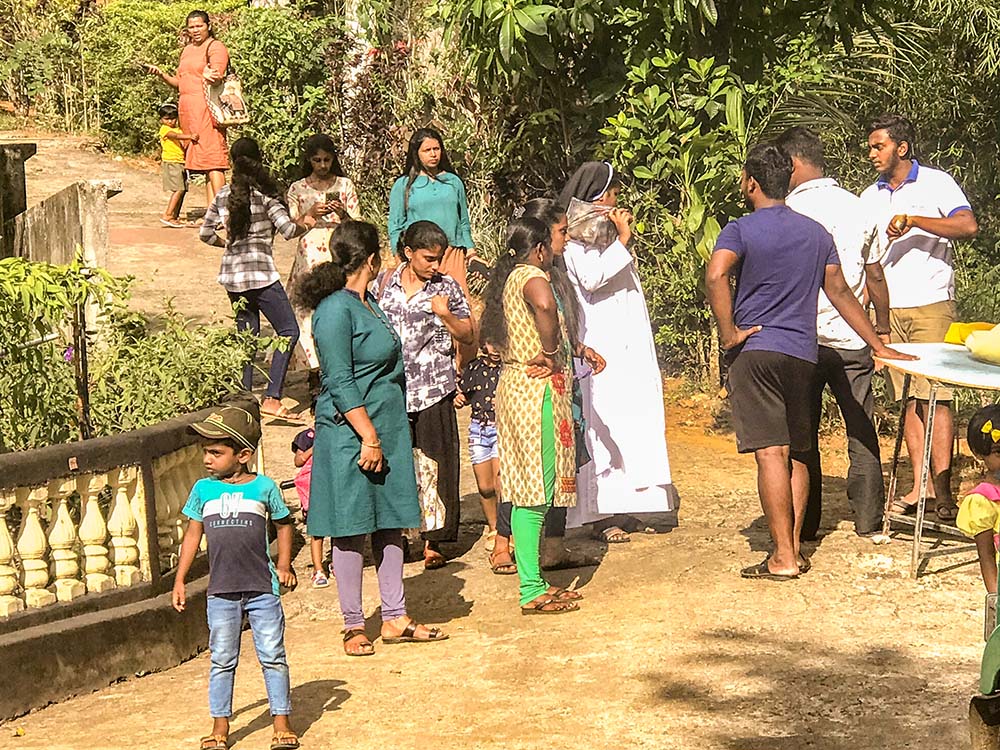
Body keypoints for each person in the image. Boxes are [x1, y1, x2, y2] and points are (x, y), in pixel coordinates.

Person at [705, 143, 912, 580]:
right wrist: (878, 342)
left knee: (770, 454)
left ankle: (781, 557)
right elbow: (840, 292)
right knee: (798, 453)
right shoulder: (816, 233)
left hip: (758, 351)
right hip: (803, 352)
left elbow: (716, 273)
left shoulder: (740, 229)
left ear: (751, 183)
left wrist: (729, 333)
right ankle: (794, 550)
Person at [295, 220, 448, 656]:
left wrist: (381, 434)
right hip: (351, 434)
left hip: (385, 427)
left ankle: (395, 616)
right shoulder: (334, 311)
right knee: (349, 526)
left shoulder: (370, 303)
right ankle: (352, 624)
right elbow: (339, 381)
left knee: (389, 520)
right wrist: (369, 437)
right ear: (372, 259)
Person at [859, 113, 979, 522]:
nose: (872, 153)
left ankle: (943, 492)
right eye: (871, 146)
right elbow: (864, 259)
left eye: (879, 146)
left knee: (937, 399)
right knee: (908, 399)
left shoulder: (935, 183)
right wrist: (877, 319)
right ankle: (920, 486)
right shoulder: (869, 196)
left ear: (902, 148)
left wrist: (914, 221)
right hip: (889, 311)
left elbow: (967, 225)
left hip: (930, 303)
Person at [776, 126, 892, 540]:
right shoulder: (859, 207)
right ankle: (867, 519)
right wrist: (880, 329)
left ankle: (804, 525)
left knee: (801, 433)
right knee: (860, 427)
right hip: (851, 336)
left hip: (800, 339)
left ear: (791, 164)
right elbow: (875, 275)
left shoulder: (784, 211)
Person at [558, 161, 679, 544]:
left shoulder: (599, 236)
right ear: (596, 198)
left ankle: (631, 502)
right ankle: (598, 511)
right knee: (601, 422)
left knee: (631, 419)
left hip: (627, 342)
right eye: (610, 194)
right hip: (600, 345)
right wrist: (623, 240)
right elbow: (592, 279)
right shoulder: (577, 242)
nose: (615, 201)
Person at [171, 406, 300, 750]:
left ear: (243, 455)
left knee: (272, 655)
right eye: (206, 452)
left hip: (262, 589)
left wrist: (284, 565)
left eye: (216, 452)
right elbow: (192, 536)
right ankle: (220, 728)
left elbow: (284, 524)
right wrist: (180, 579)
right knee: (222, 658)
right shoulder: (202, 490)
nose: (207, 459)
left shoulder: (264, 488)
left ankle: (281, 722)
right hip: (221, 591)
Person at [482, 215, 582, 614]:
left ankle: (536, 580)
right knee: (533, 491)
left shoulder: (512, 276)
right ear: (539, 248)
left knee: (533, 488)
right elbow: (543, 304)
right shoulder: (532, 276)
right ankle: (530, 588)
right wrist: (551, 349)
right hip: (533, 393)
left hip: (524, 390)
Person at [200, 137, 324, 420]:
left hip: (232, 274)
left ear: (232, 162)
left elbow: (205, 234)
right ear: (259, 161)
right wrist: (308, 221)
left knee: (247, 336)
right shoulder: (267, 197)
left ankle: (243, 398)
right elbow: (289, 230)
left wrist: (228, 245)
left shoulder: (223, 196)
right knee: (288, 331)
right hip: (261, 274)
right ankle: (272, 396)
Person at [377, 220, 474, 570]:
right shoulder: (383, 284)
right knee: (396, 464)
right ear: (408, 253)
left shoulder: (447, 287)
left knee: (438, 462)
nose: (435, 266)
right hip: (391, 389)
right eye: (429, 259)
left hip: (434, 388)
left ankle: (436, 539)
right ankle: (399, 534)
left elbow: (467, 335)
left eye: (440, 259)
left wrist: (445, 314)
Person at [286, 134, 361, 400]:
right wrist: (311, 216)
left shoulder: (345, 185)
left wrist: (341, 213)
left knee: (336, 309)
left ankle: (336, 365)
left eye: (327, 160)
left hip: (336, 252)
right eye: (317, 160)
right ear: (309, 161)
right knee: (306, 314)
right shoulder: (297, 189)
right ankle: (314, 372)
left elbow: (356, 223)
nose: (322, 165)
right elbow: (290, 227)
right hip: (309, 254)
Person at [146, 10, 230, 207]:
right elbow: (181, 83)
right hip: (188, 111)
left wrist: (213, 75)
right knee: (206, 164)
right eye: (191, 27)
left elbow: (217, 73)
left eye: (199, 26)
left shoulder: (215, 46)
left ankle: (223, 212)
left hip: (207, 110)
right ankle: (212, 214)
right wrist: (161, 74)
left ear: (208, 26)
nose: (195, 30)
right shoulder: (187, 51)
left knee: (214, 161)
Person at [387, 127, 476, 297]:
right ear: (416, 153)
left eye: (436, 149)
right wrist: (399, 257)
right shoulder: (403, 185)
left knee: (457, 305)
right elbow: (395, 224)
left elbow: (463, 221)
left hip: (452, 253)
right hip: (420, 255)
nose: (433, 154)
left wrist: (471, 251)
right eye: (427, 150)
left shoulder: (453, 182)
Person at [455, 343, 502, 560]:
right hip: (479, 429)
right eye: (491, 343)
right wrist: (460, 398)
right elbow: (463, 393)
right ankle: (493, 527)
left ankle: (505, 531)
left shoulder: (508, 368)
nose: (495, 349)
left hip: (502, 428)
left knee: (501, 483)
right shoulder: (474, 368)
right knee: (485, 487)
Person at [957, 405, 1000, 594]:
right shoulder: (982, 502)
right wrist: (996, 603)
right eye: (999, 452)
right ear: (978, 452)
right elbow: (987, 557)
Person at [291, 426, 331, 587]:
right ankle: (319, 569)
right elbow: (298, 461)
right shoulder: (307, 436)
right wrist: (314, 448)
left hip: (332, 489)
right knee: (317, 532)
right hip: (313, 492)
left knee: (339, 530)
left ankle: (336, 561)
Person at [156, 102, 198, 228]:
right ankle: (168, 215)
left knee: (183, 189)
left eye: (173, 118)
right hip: (171, 161)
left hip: (180, 162)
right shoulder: (165, 130)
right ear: (161, 119)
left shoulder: (178, 129)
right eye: (166, 119)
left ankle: (175, 216)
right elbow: (175, 136)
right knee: (178, 189)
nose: (170, 121)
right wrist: (190, 136)